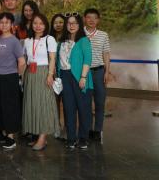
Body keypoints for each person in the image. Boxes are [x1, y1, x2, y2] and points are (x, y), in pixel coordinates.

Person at [22, 13, 58, 151]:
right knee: (33, 104)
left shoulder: (50, 39)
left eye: (41, 23)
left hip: (44, 73)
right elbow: (25, 59)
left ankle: (43, 138)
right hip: (30, 74)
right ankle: (38, 136)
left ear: (45, 25)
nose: (38, 26)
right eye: (35, 23)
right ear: (31, 25)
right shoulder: (27, 41)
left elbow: (52, 59)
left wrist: (50, 74)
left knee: (44, 104)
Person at [58, 13, 93, 150]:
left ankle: (83, 138)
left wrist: (83, 77)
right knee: (68, 108)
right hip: (65, 77)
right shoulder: (61, 42)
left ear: (79, 25)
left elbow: (87, 60)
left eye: (74, 23)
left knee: (83, 108)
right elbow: (59, 61)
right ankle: (71, 138)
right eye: (69, 23)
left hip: (79, 77)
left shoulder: (84, 41)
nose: (71, 25)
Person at [0, 13, 26, 149]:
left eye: (7, 22)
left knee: (9, 107)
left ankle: (11, 137)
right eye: (1, 22)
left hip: (10, 77)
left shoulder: (14, 41)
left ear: (12, 25)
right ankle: (1, 133)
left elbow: (22, 62)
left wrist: (17, 76)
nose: (4, 25)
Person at [83, 8, 111, 143]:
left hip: (99, 72)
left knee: (100, 103)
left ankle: (98, 131)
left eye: (94, 18)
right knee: (86, 103)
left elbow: (106, 53)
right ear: (84, 19)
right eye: (89, 17)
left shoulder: (103, 35)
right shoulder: (80, 33)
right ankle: (88, 131)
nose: (91, 20)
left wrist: (107, 71)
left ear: (98, 20)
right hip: (84, 73)